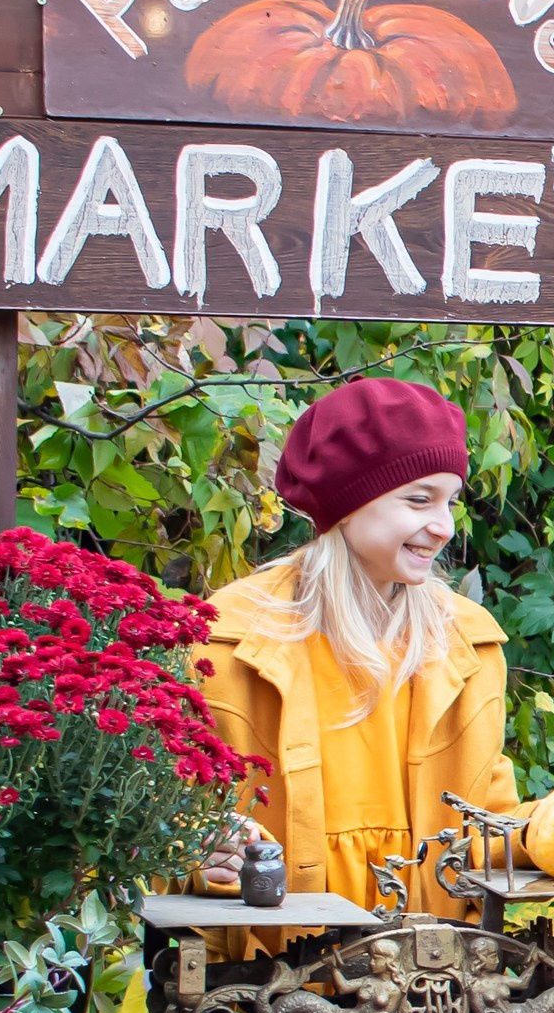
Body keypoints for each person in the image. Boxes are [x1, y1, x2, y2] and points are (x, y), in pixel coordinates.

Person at [196, 375, 527, 923]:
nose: (444, 527)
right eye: (419, 500)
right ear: (348, 504)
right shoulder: (228, 640)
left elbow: (488, 821)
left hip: (436, 960)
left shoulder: (465, 642)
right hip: (273, 955)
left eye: (450, 502)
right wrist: (208, 855)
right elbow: (167, 826)